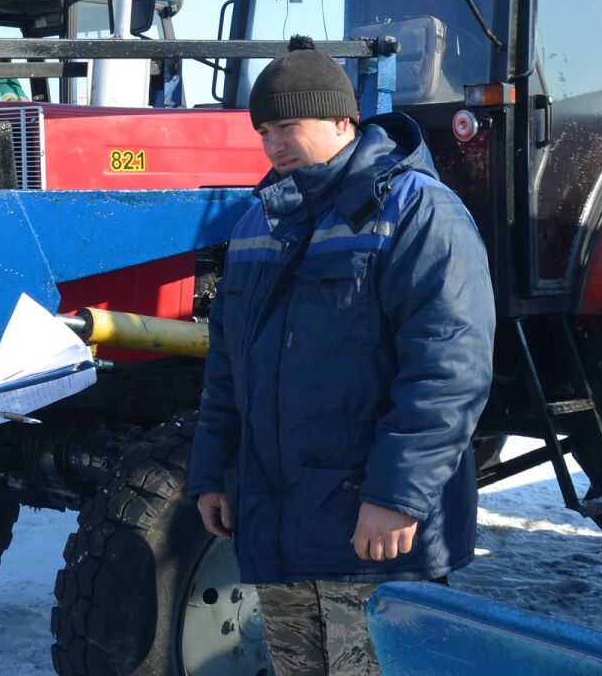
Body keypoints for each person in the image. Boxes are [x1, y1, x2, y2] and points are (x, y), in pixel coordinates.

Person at [187, 37, 495, 675]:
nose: (274, 145)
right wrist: (214, 474)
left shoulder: (418, 215)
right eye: (264, 130)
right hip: (280, 530)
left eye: (288, 126)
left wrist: (397, 496)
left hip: (374, 534)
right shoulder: (256, 226)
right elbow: (227, 370)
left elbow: (448, 370)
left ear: (340, 120)